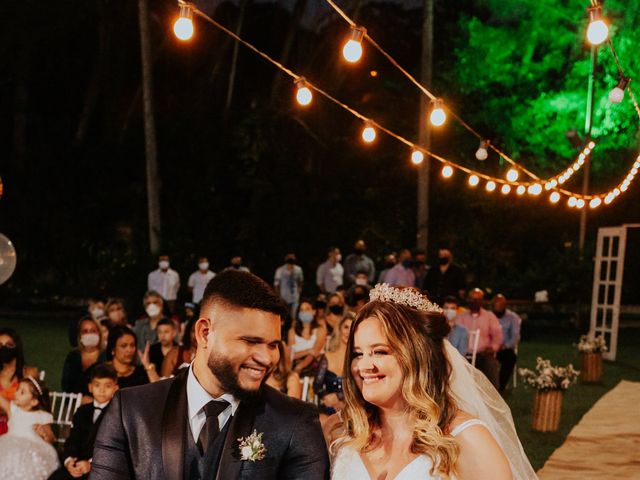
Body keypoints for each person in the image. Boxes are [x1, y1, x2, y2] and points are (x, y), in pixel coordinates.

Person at [91, 269, 330, 479]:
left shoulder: (295, 422)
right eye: (250, 341)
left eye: (273, 344)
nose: (267, 358)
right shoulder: (131, 411)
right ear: (205, 333)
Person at [328, 284, 536, 480]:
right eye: (357, 353)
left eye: (380, 351)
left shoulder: (466, 439)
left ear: (418, 355)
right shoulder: (341, 429)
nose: (363, 366)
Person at [48, 364, 119, 480]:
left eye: (108, 386)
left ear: (116, 389)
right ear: (90, 387)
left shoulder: (117, 414)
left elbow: (114, 449)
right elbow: (72, 440)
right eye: (97, 385)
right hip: (78, 463)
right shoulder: (82, 411)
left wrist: (91, 464)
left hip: (103, 468)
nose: (102, 390)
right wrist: (69, 460)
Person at [0, 376, 58, 479]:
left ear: (34, 402)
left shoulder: (42, 416)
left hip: (31, 455)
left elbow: (51, 439)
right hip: (10, 451)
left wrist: (44, 433)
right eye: (17, 389)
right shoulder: (13, 410)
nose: (16, 393)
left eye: (22, 392)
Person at [455, 288, 503, 390]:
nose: (474, 302)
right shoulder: (461, 317)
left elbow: (497, 335)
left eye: (477, 299)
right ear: (468, 300)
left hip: (483, 354)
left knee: (491, 364)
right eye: (472, 299)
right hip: (464, 355)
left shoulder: (489, 316)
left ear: (482, 301)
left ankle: (494, 395)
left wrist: (493, 348)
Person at [314, 313, 353, 420]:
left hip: (352, 407)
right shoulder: (327, 357)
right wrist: (326, 397)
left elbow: (359, 387)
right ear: (339, 329)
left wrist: (340, 397)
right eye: (346, 327)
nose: (348, 332)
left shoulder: (357, 359)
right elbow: (317, 386)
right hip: (329, 407)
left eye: (352, 328)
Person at [0, 328, 39, 435]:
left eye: (9, 345)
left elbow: (34, 405)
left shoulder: (29, 373)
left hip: (20, 428)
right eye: (0, 345)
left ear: (17, 347)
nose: (3, 348)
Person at [104, 325, 160, 389]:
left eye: (132, 345)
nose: (129, 350)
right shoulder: (100, 371)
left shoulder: (141, 373)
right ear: (113, 349)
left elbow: (159, 391)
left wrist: (148, 366)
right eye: (124, 346)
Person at [61, 317, 106, 395]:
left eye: (93, 331)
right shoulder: (73, 356)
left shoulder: (106, 356)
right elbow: (66, 385)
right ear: (80, 335)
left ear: (99, 333)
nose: (89, 334)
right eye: (85, 331)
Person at [288, 300, 327, 376]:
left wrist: (300, 366)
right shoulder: (292, 331)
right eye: (301, 310)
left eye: (307, 309)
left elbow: (315, 352)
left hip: (314, 369)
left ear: (314, 311)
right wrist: (308, 351)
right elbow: (290, 355)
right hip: (293, 368)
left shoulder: (320, 330)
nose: (304, 312)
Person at [493, 294, 522, 393]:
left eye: (500, 305)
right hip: (489, 347)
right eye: (495, 305)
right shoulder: (488, 316)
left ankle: (500, 386)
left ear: (505, 305)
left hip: (503, 348)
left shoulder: (513, 317)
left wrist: (505, 346)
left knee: (510, 358)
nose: (497, 307)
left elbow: (515, 336)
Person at [274, 253, 304, 319]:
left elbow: (301, 280)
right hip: (284, 297)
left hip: (295, 297)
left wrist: (300, 289)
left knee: (294, 315)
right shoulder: (280, 270)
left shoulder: (298, 269)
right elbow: (276, 284)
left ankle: (292, 328)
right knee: (284, 316)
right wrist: (278, 296)